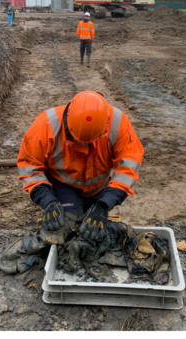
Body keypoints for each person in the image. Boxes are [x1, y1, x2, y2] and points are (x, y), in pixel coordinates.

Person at [17, 91, 143, 242]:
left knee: (94, 230)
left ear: (105, 124)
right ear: (68, 119)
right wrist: (47, 200)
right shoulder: (46, 125)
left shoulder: (118, 123)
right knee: (69, 229)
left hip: (98, 186)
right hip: (64, 185)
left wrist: (104, 205)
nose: (84, 146)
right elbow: (29, 166)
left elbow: (128, 167)